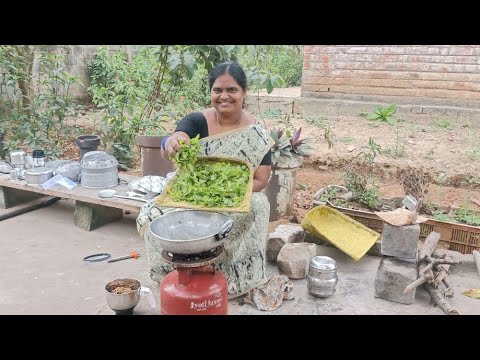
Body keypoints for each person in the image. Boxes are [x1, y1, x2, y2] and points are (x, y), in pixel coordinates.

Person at [136, 61, 273, 298]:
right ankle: (175, 275)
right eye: (217, 90)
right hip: (192, 195)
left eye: (232, 90)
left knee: (259, 205)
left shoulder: (256, 133)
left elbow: (261, 179)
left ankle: (234, 277)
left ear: (244, 93)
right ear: (210, 92)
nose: (224, 96)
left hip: (234, 199)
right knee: (150, 215)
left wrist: (229, 196)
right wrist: (171, 142)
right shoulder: (197, 120)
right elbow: (176, 137)